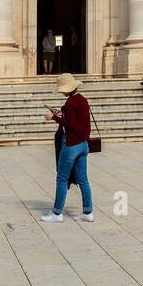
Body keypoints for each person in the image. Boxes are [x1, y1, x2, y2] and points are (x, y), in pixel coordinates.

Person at [41, 73, 94, 222]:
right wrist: (61, 114)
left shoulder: (71, 103)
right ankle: (88, 212)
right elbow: (77, 120)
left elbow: (70, 125)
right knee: (83, 179)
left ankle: (57, 213)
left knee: (62, 179)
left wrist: (55, 117)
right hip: (84, 144)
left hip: (72, 145)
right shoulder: (82, 100)